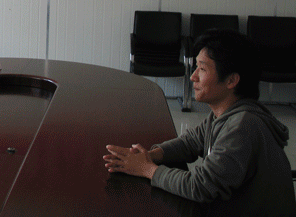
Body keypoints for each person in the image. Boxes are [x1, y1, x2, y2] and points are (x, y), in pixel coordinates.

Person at [103, 28, 296, 216]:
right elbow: (190, 143)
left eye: (202, 69)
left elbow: (201, 187)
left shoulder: (243, 126)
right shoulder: (224, 114)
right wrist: (151, 155)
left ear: (231, 80)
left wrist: (147, 169)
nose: (193, 76)